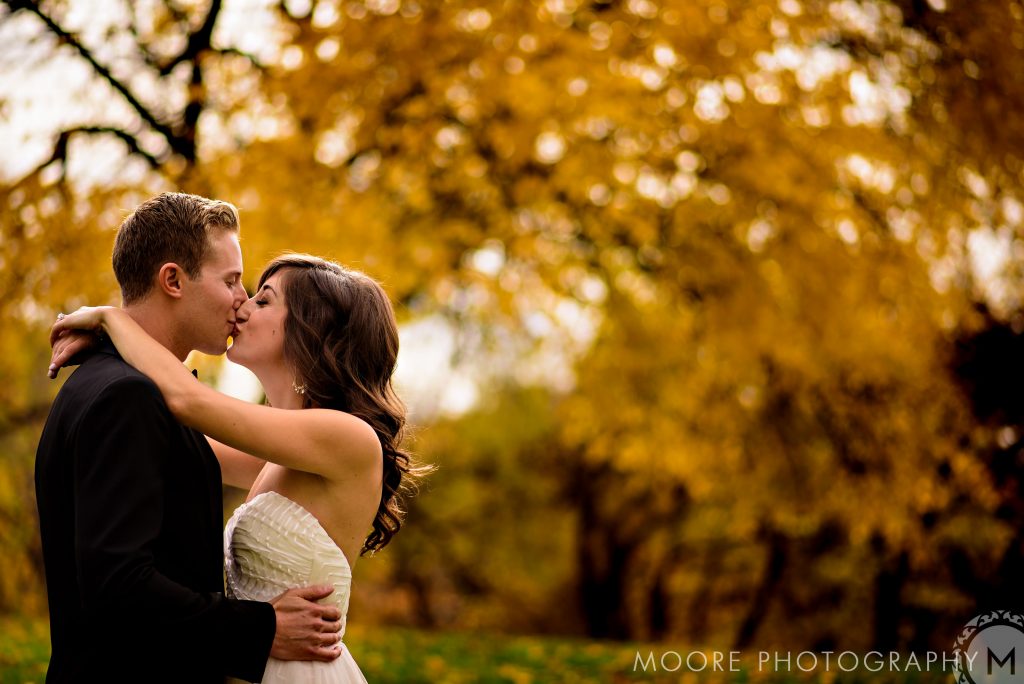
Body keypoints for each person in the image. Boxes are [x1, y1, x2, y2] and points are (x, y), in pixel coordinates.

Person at [49, 250, 426, 683]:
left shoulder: (348, 439)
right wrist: (105, 360)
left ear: (312, 328)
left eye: (264, 300)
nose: (243, 305)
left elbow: (187, 402)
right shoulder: (277, 455)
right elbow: (167, 440)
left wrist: (111, 322)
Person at [36, 193, 345, 683]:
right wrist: (260, 629)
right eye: (232, 280)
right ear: (173, 280)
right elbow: (119, 585)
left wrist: (109, 324)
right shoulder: (128, 399)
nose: (241, 299)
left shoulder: (117, 387)